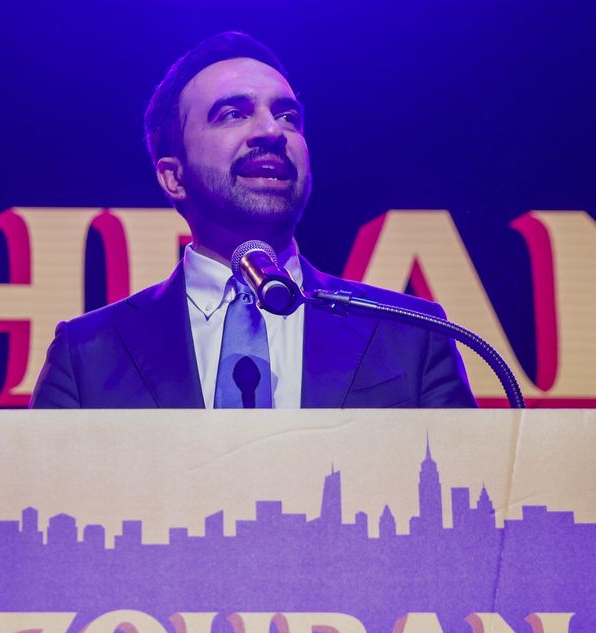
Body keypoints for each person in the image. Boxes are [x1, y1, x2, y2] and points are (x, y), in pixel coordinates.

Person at [30, 32, 475, 409]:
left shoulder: (412, 338)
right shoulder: (87, 358)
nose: (271, 132)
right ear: (173, 177)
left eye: (287, 116)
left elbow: (469, 498)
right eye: (233, 114)